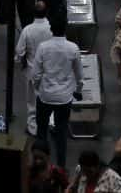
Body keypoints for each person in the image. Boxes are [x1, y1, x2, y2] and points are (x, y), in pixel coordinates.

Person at [32, 19, 83, 170]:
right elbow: (80, 75)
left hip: (45, 96)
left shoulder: (43, 47)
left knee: (41, 131)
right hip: (64, 97)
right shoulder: (73, 48)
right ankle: (61, 166)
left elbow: (35, 73)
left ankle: (40, 163)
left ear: (51, 30)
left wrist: (38, 88)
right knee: (61, 132)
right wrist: (78, 91)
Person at [16, 0, 53, 135]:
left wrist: (21, 61)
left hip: (32, 71)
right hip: (49, 70)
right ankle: (49, 122)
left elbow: (19, 51)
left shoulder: (27, 30)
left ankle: (33, 128)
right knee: (48, 98)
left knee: (32, 102)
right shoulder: (51, 28)